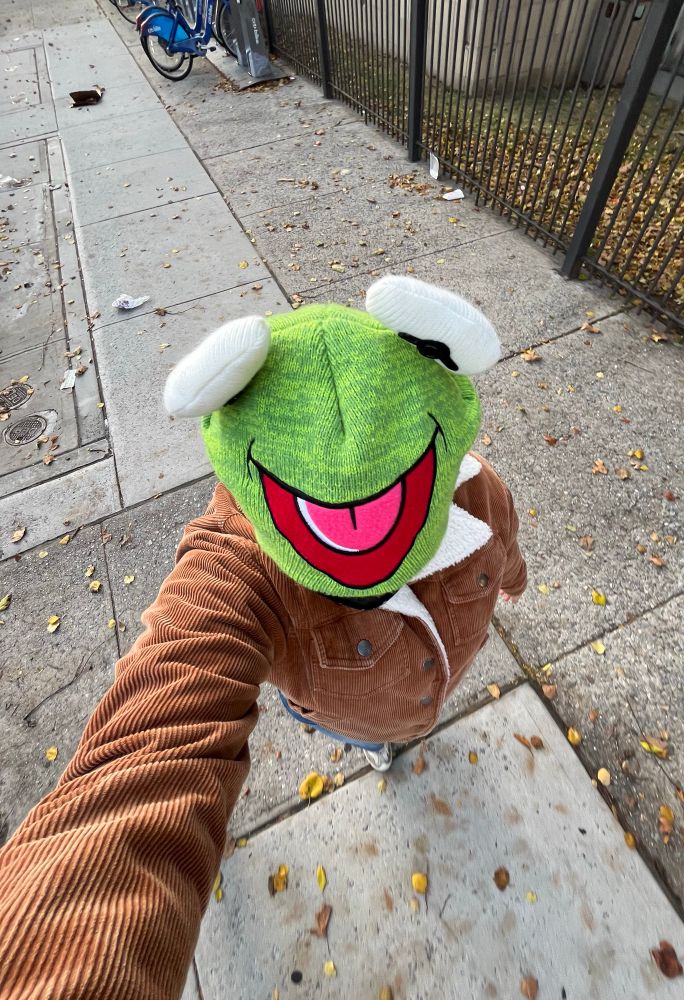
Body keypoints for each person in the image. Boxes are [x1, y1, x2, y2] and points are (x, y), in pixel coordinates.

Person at [0, 276, 526, 999]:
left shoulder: (476, 487)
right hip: (343, 710)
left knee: (398, 730)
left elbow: (505, 543)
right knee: (365, 736)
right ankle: (373, 744)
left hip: (438, 678)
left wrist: (514, 577)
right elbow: (154, 742)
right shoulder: (242, 571)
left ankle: (389, 741)